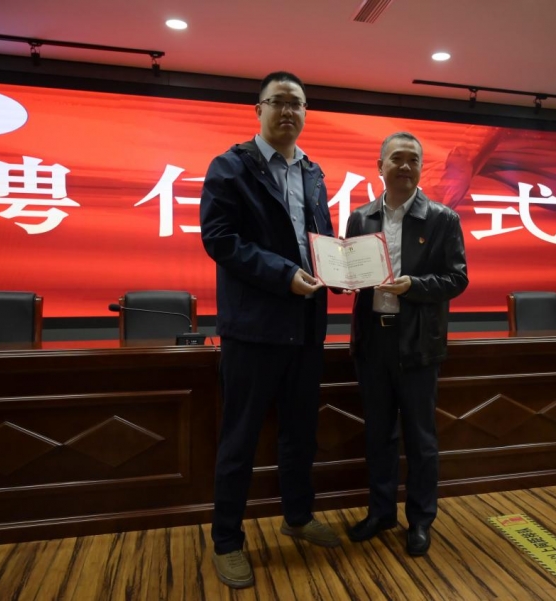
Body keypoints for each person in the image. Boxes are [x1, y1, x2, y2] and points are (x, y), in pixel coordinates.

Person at [199, 71, 340, 590]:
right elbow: (220, 240)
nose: (288, 111)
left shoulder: (313, 172)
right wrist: (285, 276)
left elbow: (317, 239)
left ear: (305, 113)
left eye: (297, 103)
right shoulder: (231, 167)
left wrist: (339, 270)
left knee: (301, 433)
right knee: (239, 439)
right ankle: (227, 541)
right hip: (254, 329)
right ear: (258, 109)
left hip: (307, 325)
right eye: (278, 101)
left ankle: (297, 517)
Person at [344, 132, 469, 556]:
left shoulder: (442, 219)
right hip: (372, 340)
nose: (404, 166)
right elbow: (350, 271)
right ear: (379, 166)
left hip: (417, 341)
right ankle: (381, 513)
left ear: (420, 168)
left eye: (413, 160)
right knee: (378, 435)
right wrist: (340, 278)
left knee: (420, 438)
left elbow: (457, 279)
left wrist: (413, 285)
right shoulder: (360, 218)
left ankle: (420, 520)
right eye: (396, 158)